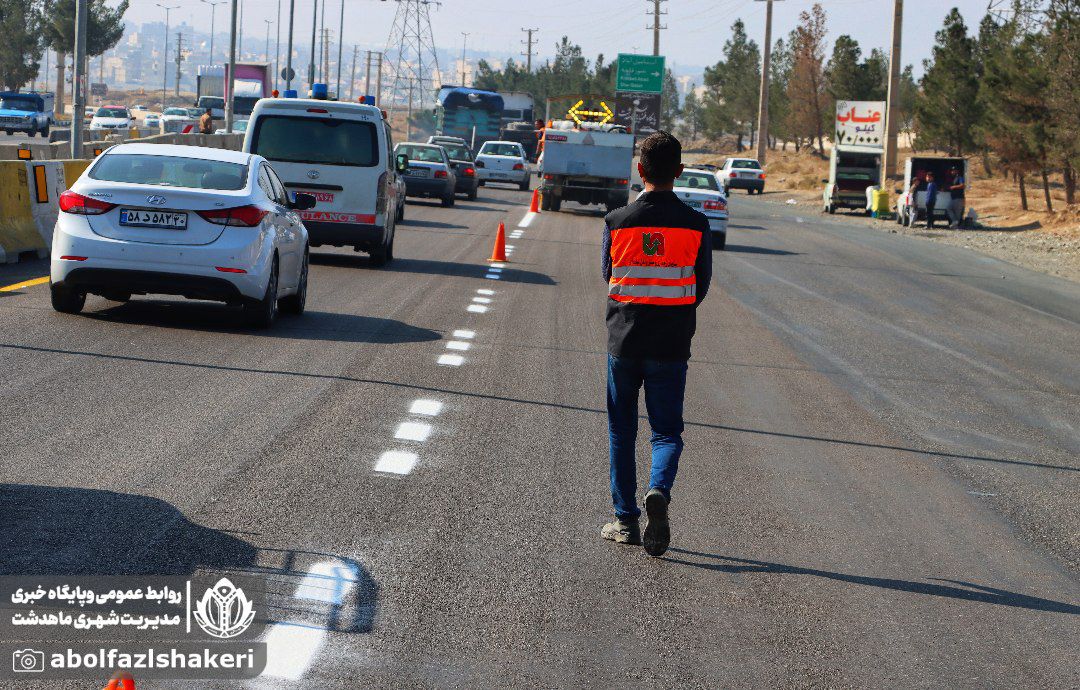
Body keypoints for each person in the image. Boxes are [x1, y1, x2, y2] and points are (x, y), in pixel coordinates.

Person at [600, 131, 712, 557]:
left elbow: (609, 276)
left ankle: (625, 521)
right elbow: (700, 285)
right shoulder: (697, 225)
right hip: (671, 343)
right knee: (665, 432)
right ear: (679, 173)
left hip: (624, 342)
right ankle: (658, 491)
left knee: (621, 431)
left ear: (640, 170)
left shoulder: (616, 221)